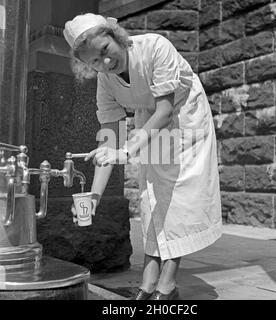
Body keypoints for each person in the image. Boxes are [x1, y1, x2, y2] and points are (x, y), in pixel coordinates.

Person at [64, 13, 222, 300]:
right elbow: (108, 138)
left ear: (116, 36)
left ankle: (168, 283)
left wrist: (125, 151)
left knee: (177, 194)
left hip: (184, 116)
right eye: (95, 62)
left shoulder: (155, 47)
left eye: (105, 51)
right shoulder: (105, 81)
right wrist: (95, 197)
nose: (106, 63)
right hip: (149, 121)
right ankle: (149, 280)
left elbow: (165, 110)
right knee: (151, 194)